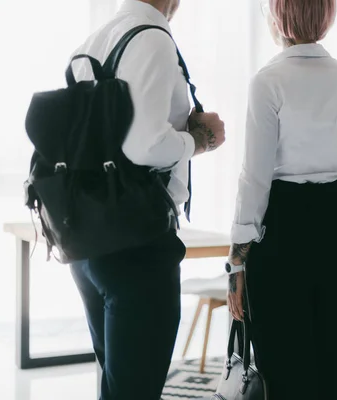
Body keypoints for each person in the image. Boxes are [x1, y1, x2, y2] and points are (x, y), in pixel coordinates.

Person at [67, 1, 225, 399]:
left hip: (89, 240)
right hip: (136, 244)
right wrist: (200, 142)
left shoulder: (95, 41)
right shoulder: (152, 39)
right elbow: (144, 144)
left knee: (117, 384)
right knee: (135, 388)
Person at [225, 0, 337, 398]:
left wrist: (236, 261)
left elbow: (254, 179)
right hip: (336, 223)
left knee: (284, 365)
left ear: (278, 16)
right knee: (333, 360)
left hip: (282, 227)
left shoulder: (269, 82)